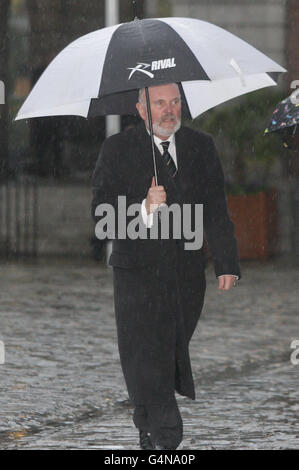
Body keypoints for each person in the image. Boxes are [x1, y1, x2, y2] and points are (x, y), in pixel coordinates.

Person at [91, 83, 241, 450]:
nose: (169, 110)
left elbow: (216, 209)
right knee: (148, 348)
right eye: (160, 103)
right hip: (136, 272)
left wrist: (226, 262)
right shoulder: (117, 149)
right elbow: (100, 220)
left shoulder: (201, 147)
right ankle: (166, 434)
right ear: (142, 109)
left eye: (175, 101)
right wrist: (142, 209)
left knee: (169, 348)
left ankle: (145, 417)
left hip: (187, 274)